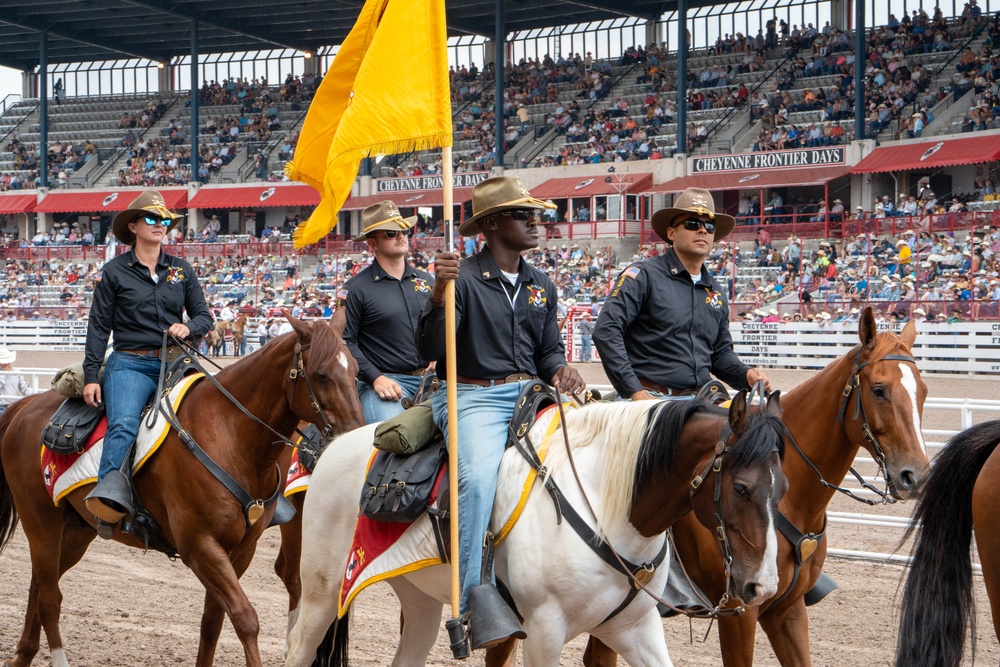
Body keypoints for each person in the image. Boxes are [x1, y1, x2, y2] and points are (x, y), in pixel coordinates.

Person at [417, 175, 586, 650]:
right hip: (472, 397)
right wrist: (437, 294)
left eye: (537, 215)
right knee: (476, 482)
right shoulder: (461, 278)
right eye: (523, 215)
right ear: (491, 225)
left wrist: (562, 369)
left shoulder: (541, 284)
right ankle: (473, 603)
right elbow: (430, 350)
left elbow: (548, 350)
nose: (536, 223)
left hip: (533, 394)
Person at [82, 189, 213, 528]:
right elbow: (98, 327)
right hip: (130, 362)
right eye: (152, 219)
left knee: (216, 414)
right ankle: (109, 498)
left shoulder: (182, 270)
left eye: (165, 220)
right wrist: (92, 375)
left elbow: (204, 317)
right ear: (135, 227)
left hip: (178, 362)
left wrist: (188, 326)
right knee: (124, 424)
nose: (160, 225)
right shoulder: (113, 272)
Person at [593, 187, 771, 400]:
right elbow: (607, 330)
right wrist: (634, 392)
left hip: (701, 400)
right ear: (671, 233)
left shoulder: (715, 290)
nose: (703, 230)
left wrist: (746, 374)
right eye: (693, 224)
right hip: (649, 397)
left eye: (710, 226)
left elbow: (720, 354)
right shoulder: (642, 276)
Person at [341, 201, 434, 423]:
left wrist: (440, 356)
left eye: (404, 230)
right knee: (392, 439)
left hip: (433, 379)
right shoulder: (355, 289)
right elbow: (345, 342)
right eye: (391, 233)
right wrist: (376, 378)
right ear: (372, 243)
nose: (401, 236)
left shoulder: (427, 281)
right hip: (385, 383)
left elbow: (441, 325)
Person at [0, 347, 31, 412]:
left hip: (15, 404)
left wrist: (30, 398)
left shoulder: (16, 371)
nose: (7, 363)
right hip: (2, 405)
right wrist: (3, 374)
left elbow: (25, 387)